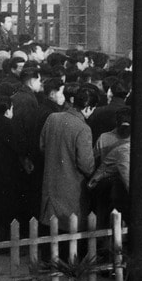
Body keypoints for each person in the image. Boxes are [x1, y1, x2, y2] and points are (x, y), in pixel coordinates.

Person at [40, 86, 98, 231]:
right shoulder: (83, 128)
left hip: (51, 185)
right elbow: (86, 165)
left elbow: (42, 146)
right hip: (72, 190)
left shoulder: (52, 118)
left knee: (51, 230)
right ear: (88, 108)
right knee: (69, 232)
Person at [0, 95, 28, 239]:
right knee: (8, 208)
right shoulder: (9, 125)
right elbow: (19, 146)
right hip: (7, 172)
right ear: (8, 110)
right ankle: (6, 240)